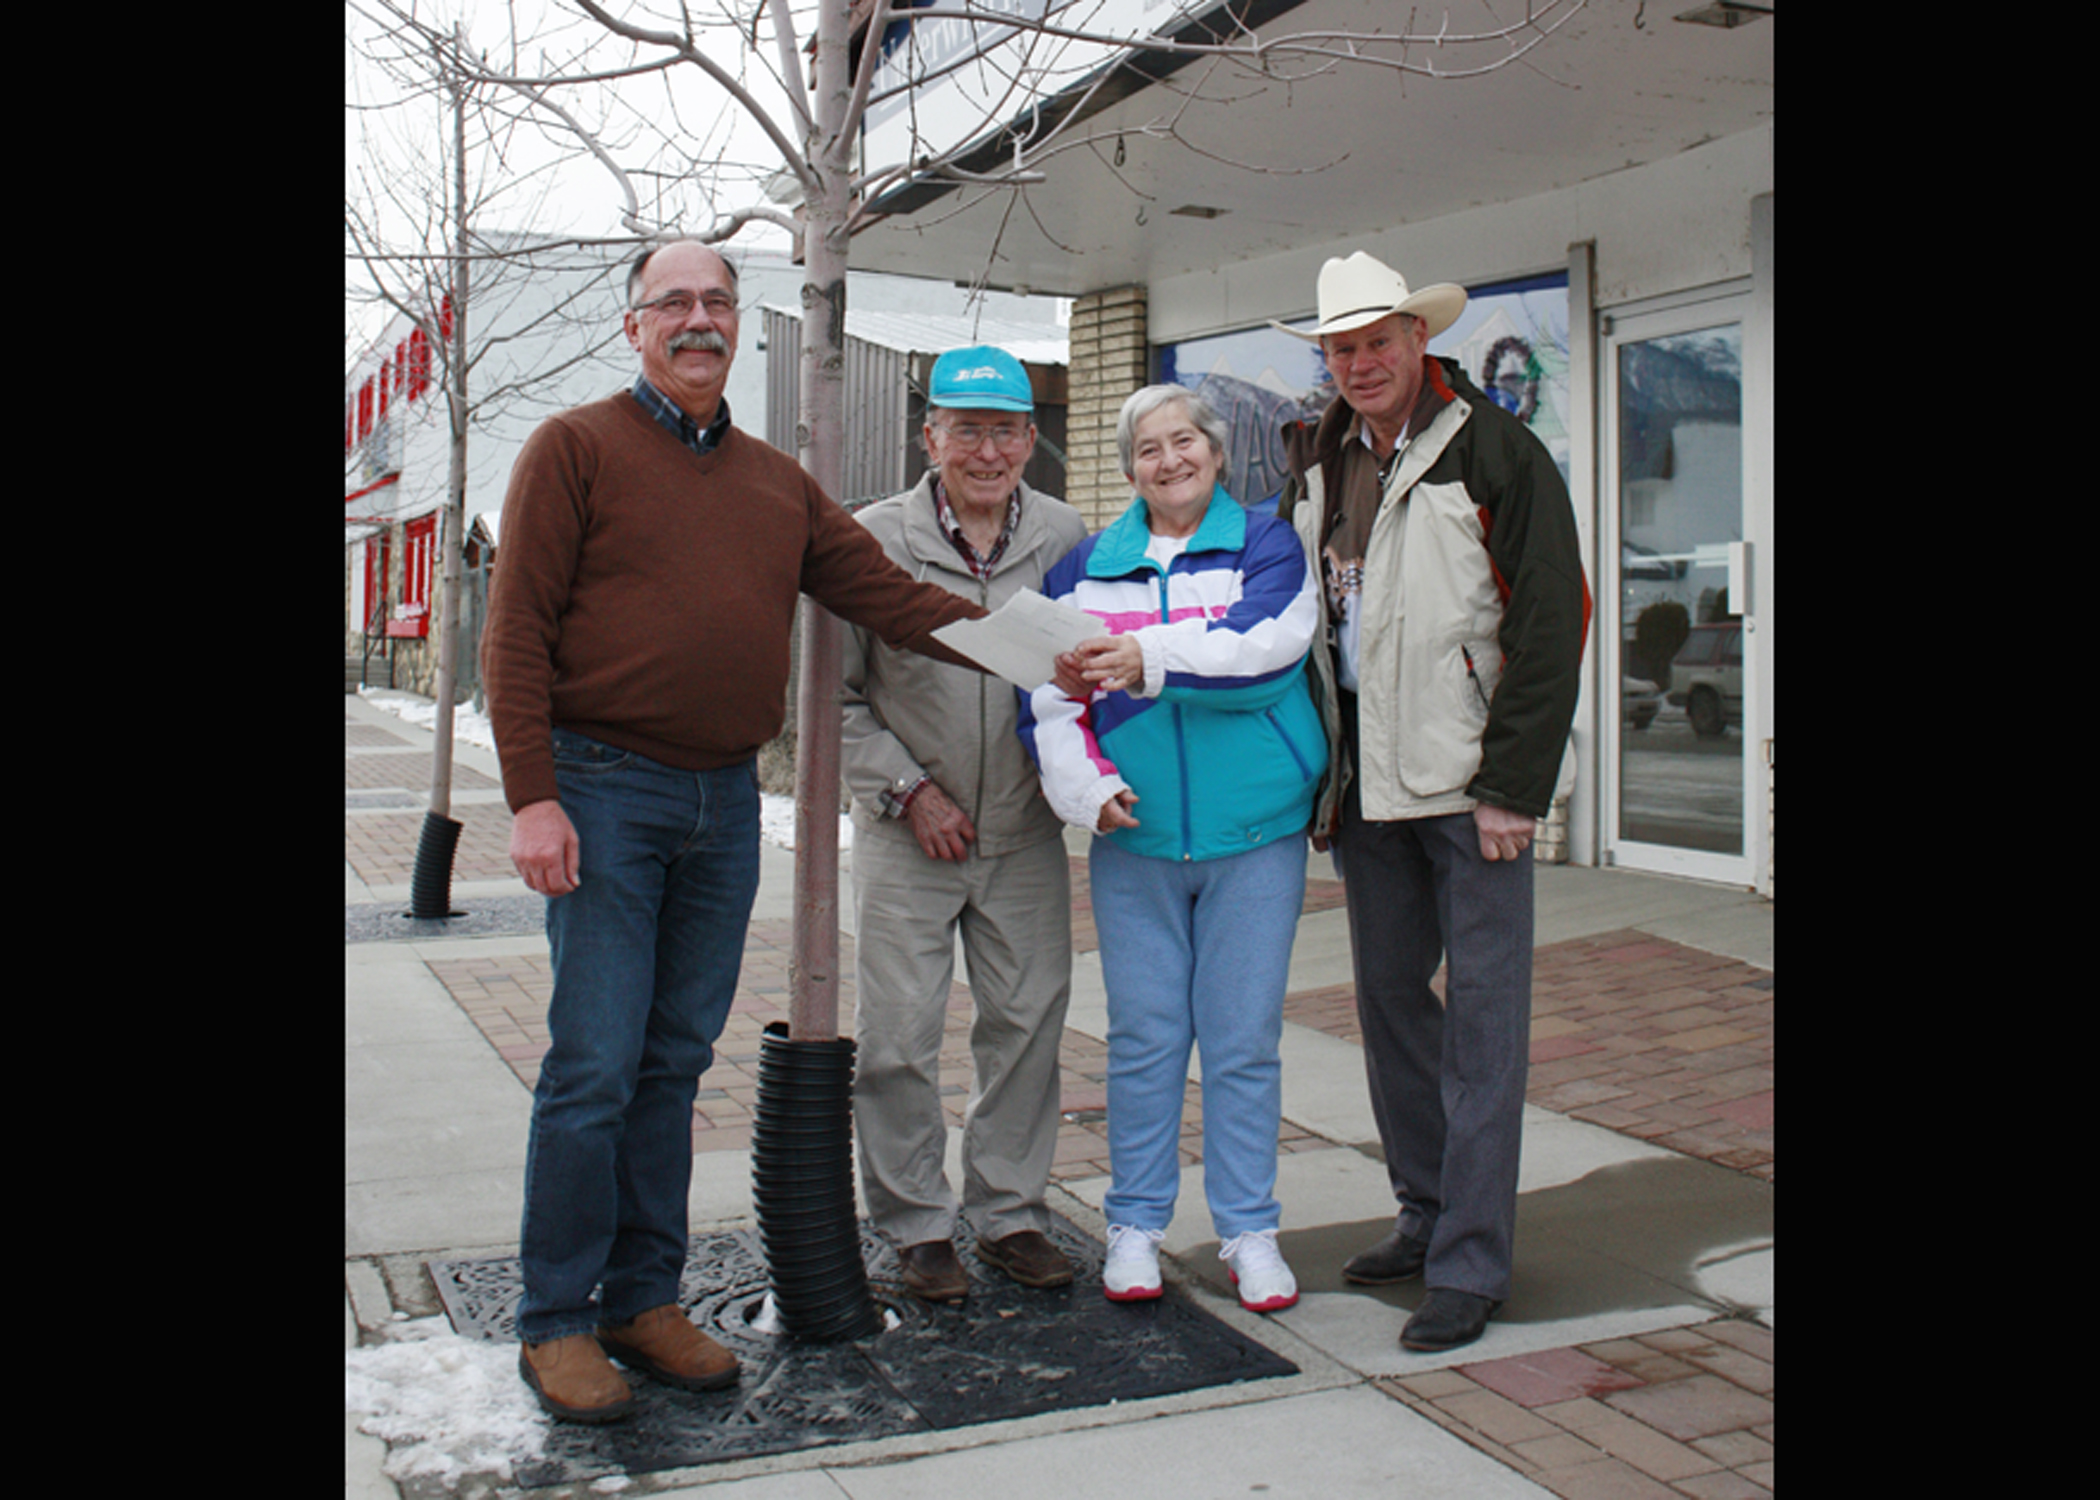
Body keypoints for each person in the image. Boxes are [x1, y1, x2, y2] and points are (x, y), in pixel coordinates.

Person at [482, 240, 988, 1423]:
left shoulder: (776, 482)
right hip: (602, 791)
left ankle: (641, 1300)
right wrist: (532, 795)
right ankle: (556, 1318)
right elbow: (515, 633)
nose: (700, 320)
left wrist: (1036, 647)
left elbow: (888, 594)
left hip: (719, 802)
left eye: (718, 301)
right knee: (593, 1066)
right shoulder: (574, 448)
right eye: (676, 303)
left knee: (671, 1064)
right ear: (635, 326)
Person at [1273, 250, 1589, 1353]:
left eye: (1377, 341)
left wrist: (1513, 787)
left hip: (1469, 791)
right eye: (1340, 348)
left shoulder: (1496, 451)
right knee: (1394, 1009)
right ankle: (1424, 1212)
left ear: (1418, 340)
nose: (1359, 362)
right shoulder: (1317, 459)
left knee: (1484, 1031)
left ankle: (1471, 1262)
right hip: (1365, 785)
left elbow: (1555, 622)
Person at [1020, 384, 1327, 1314]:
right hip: (1137, 839)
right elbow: (1051, 699)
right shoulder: (1084, 569)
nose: (1170, 460)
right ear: (1127, 469)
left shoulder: (1267, 544)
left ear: (1217, 451)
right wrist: (1089, 790)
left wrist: (1149, 657)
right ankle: (1135, 1226)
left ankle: (1249, 1230)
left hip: (1256, 837)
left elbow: (1268, 648)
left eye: (1184, 441)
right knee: (1145, 1040)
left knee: (1241, 1044)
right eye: (1147, 448)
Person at [840, 346, 1091, 1303]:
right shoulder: (871, 540)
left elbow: (1088, 678)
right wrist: (909, 791)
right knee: (899, 1037)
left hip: (1023, 831)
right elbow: (832, 702)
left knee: (1026, 1026)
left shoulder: (1068, 537)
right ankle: (914, 1226)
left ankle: (1010, 1213)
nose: (987, 450)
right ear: (930, 436)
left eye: (1006, 430)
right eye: (966, 428)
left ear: (1032, 439)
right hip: (912, 832)